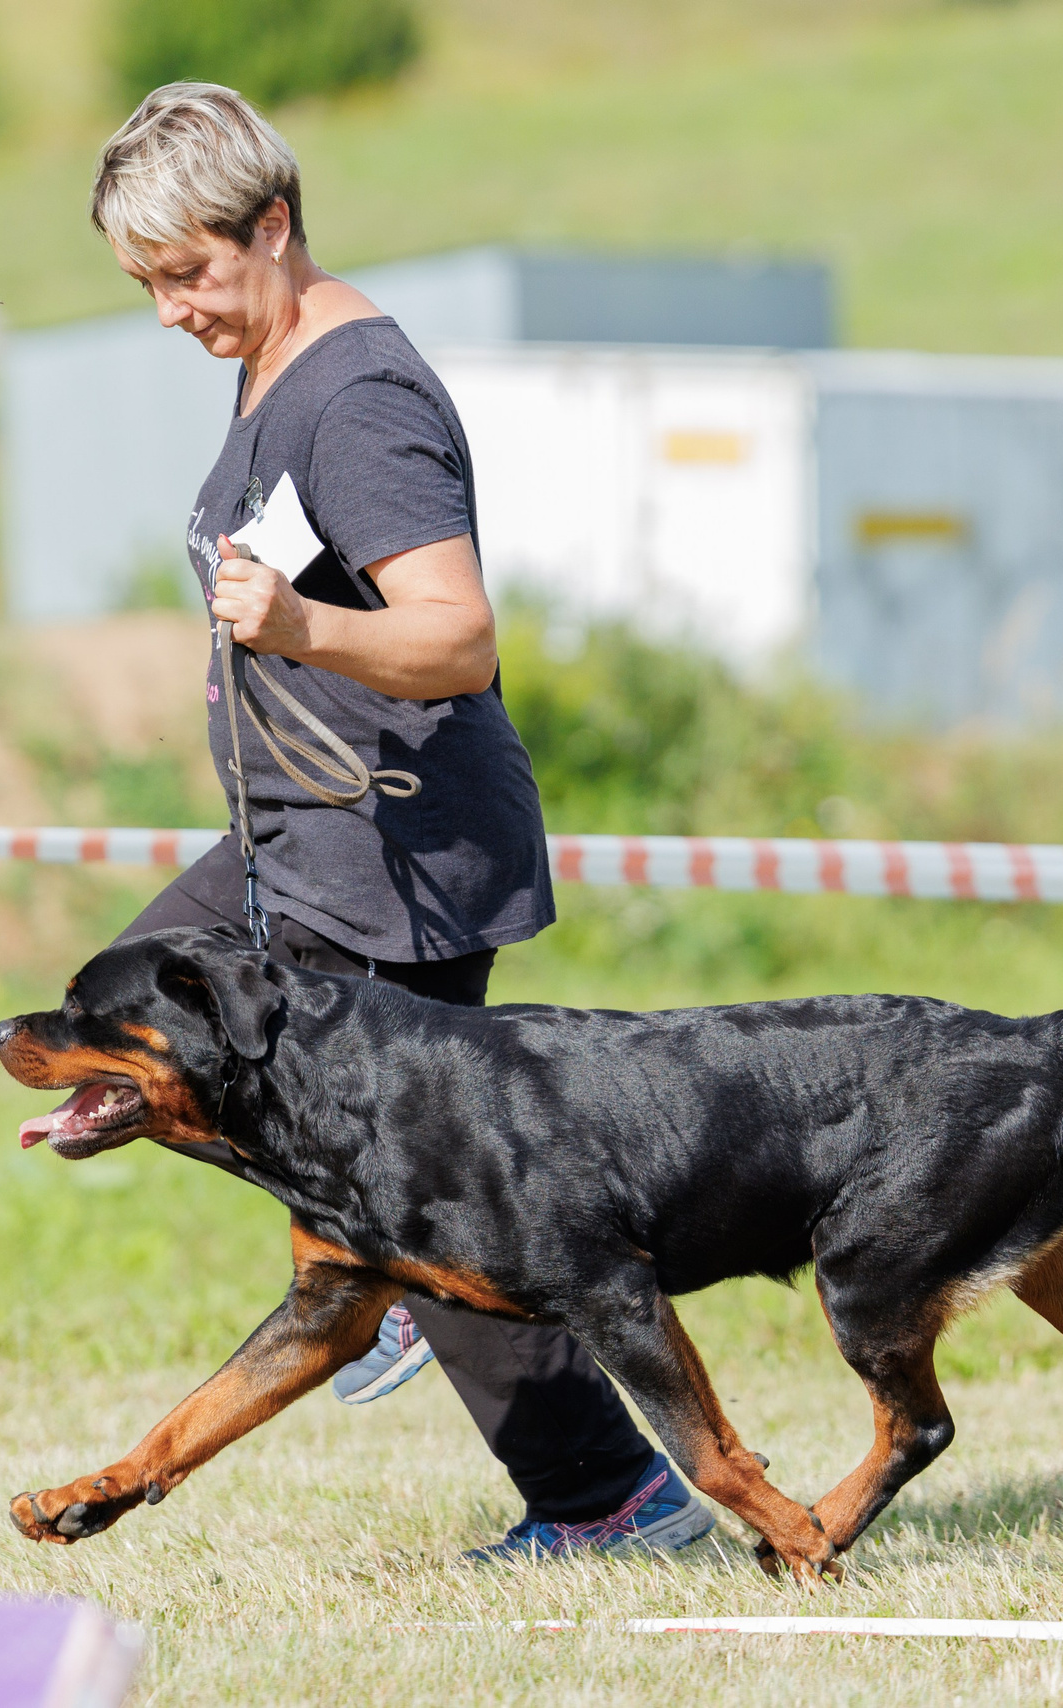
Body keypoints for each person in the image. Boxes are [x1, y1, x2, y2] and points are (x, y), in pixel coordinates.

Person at [78, 83, 711, 1561]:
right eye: (145, 286)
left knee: (412, 1187)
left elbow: (457, 639)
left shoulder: (357, 401)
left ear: (276, 226)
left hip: (398, 850)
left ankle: (607, 1496)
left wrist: (298, 624)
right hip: (297, 832)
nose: (171, 311)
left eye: (190, 274)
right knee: (115, 1020)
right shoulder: (271, 350)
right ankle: (382, 1260)